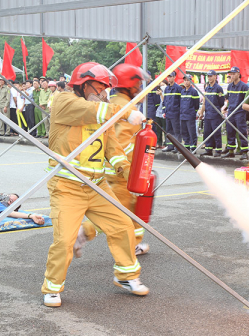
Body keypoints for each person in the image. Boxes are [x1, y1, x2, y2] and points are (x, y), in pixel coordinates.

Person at [42, 62, 148, 308]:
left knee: (123, 226)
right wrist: (125, 112)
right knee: (64, 241)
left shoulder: (100, 110)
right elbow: (93, 111)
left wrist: (124, 168)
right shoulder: (64, 101)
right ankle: (52, 287)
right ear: (83, 82)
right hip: (67, 187)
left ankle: (126, 276)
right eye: (100, 86)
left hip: (97, 186)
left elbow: (112, 145)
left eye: (107, 88)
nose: (104, 92)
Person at [75, 63, 152, 259]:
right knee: (117, 212)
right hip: (123, 173)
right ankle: (84, 233)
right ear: (130, 85)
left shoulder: (114, 100)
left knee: (131, 209)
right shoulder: (126, 107)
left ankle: (134, 243)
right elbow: (121, 140)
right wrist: (136, 165)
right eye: (139, 85)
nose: (141, 90)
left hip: (116, 170)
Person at [221, 66, 249, 160]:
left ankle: (244, 151)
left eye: (234, 74)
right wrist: (225, 107)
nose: (232, 76)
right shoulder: (229, 86)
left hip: (240, 112)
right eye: (231, 74)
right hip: (230, 112)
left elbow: (247, 100)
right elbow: (229, 99)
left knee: (242, 132)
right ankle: (230, 151)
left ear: (238, 74)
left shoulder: (244, 86)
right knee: (229, 131)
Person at [198, 70, 225, 157]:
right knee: (207, 132)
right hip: (208, 114)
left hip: (215, 114)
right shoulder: (207, 88)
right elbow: (205, 102)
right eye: (208, 76)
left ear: (215, 76)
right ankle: (208, 149)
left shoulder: (218, 88)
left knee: (216, 133)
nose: (209, 78)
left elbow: (221, 102)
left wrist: (216, 109)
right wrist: (202, 113)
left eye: (211, 76)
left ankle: (218, 150)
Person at [161, 71, 182, 153]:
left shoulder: (178, 88)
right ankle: (170, 146)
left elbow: (181, 102)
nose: (169, 78)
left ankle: (177, 147)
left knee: (177, 131)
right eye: (168, 77)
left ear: (174, 77)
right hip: (168, 113)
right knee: (169, 131)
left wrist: (179, 112)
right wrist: (164, 111)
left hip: (175, 114)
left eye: (171, 77)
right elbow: (164, 102)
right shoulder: (166, 89)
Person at [179, 74, 199, 151]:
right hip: (183, 115)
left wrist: (193, 112)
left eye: (188, 80)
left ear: (191, 81)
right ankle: (186, 145)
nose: (186, 82)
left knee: (192, 132)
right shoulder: (182, 91)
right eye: (185, 80)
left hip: (190, 115)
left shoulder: (194, 92)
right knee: (184, 131)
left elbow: (196, 105)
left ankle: (193, 146)